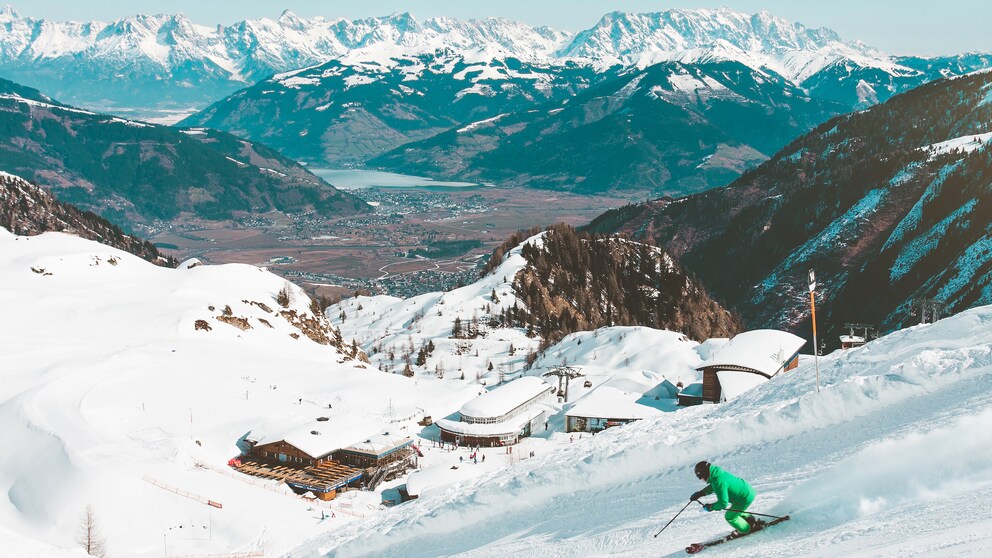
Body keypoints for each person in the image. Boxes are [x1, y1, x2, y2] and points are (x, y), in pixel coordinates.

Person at [690, 461, 757, 536]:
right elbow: (714, 486)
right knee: (735, 510)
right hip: (747, 491)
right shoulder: (717, 474)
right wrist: (701, 493)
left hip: (744, 498)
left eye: (701, 477)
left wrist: (710, 507)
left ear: (705, 474)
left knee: (729, 516)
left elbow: (723, 503)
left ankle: (747, 529)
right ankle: (750, 519)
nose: (701, 480)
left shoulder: (718, 481)